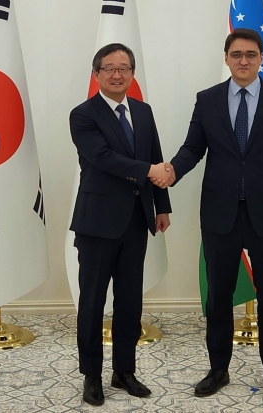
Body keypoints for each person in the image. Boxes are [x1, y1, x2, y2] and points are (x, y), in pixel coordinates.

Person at [159, 28, 263, 402]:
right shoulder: (207, 100)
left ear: (261, 59)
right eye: (237, 54)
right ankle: (218, 369)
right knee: (218, 297)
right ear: (226, 58)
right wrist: (172, 170)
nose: (244, 60)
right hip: (221, 214)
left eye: (251, 55)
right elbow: (193, 148)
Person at [69, 43, 173, 407]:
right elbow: (102, 158)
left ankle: (124, 371)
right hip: (97, 224)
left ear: (132, 73)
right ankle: (92, 375)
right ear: (96, 74)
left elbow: (155, 157)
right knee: (93, 302)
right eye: (109, 68)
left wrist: (161, 205)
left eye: (124, 68)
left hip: (136, 220)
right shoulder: (83, 115)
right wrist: (148, 171)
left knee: (130, 301)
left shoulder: (143, 112)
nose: (117, 74)